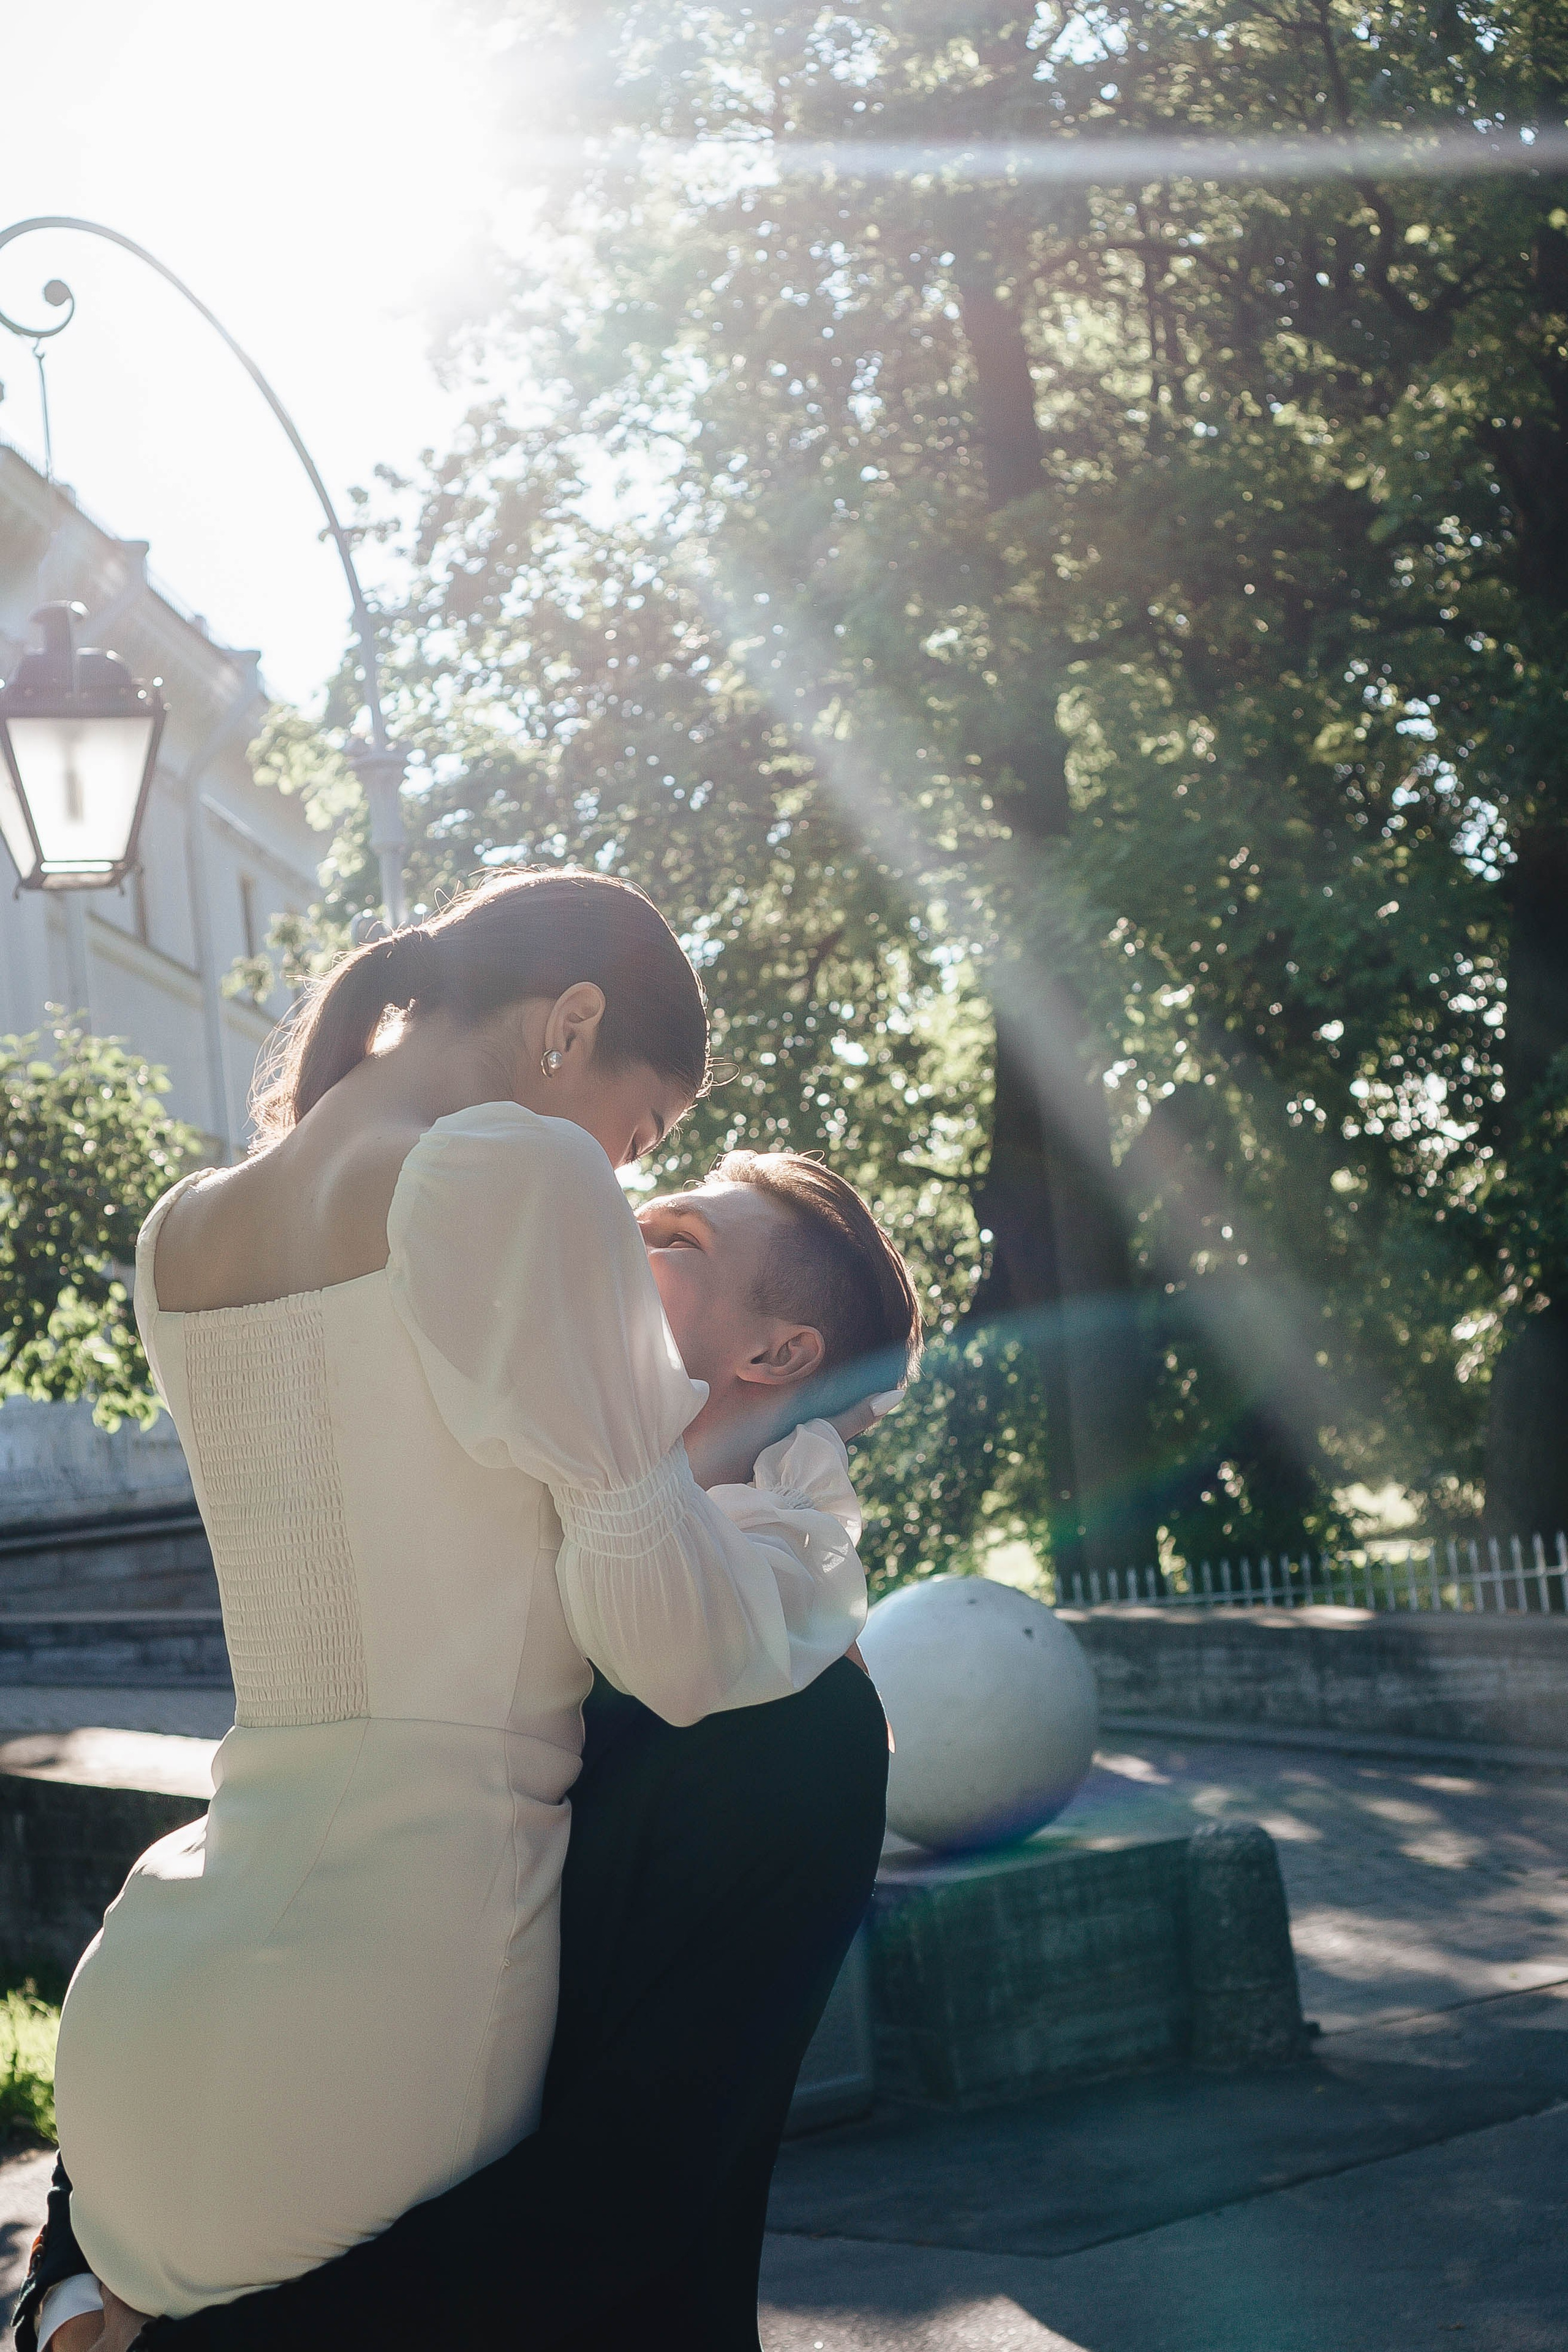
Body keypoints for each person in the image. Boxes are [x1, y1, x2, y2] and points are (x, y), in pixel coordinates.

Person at [21, 870, 916, 2351]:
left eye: (659, 1206)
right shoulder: (510, 1185)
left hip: (175, 1978)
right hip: (369, 1983)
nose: (614, 1212)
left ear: (779, 1349)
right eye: (633, 1151)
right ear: (568, 1024)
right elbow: (654, 1627)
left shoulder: (186, 1229)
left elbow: (629, 2198)